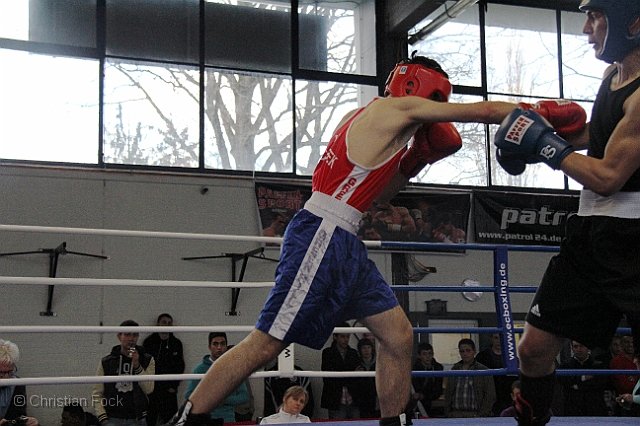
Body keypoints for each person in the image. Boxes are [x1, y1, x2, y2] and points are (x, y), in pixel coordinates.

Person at [163, 53, 585, 426]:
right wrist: (538, 113)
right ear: (416, 87)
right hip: (321, 234)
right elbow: (485, 111)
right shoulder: (395, 107)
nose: (435, 109)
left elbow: (378, 199)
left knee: (398, 336)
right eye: (436, 98)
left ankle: (393, 421)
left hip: (345, 240)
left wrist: (416, 159)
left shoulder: (373, 122)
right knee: (267, 342)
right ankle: (188, 416)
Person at [492, 1, 640, 424]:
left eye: (596, 18)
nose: (586, 29)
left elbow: (608, 175)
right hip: (590, 234)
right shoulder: (612, 76)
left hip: (636, 242)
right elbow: (600, 135)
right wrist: (543, 139)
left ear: (633, 24)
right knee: (533, 350)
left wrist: (547, 147)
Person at [92, 319, 156, 425]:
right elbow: (97, 393)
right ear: (119, 336)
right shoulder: (107, 362)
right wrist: (103, 418)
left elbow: (149, 389)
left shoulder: (147, 359)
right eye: (127, 334)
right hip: (112, 417)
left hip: (137, 418)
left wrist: (137, 366)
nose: (131, 338)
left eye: (135, 335)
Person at [184, 333, 249, 423]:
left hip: (228, 419)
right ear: (209, 347)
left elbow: (244, 396)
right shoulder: (199, 370)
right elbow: (188, 396)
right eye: (215, 344)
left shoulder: (234, 369)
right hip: (206, 420)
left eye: (222, 344)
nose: (219, 347)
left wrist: (223, 399)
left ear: (226, 346)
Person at [143, 314, 185, 426]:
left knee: (171, 422)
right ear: (158, 324)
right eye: (164, 322)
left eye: (169, 323)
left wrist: (174, 386)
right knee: (150, 421)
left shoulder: (176, 343)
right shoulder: (149, 342)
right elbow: (145, 365)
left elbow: (180, 366)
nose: (167, 325)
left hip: (169, 391)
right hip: (152, 391)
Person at [443, 339, 495, 418]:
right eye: (462, 351)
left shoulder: (483, 371)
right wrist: (448, 413)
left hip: (475, 414)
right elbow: (448, 393)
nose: (465, 354)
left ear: (474, 351)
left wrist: (481, 415)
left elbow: (490, 395)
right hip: (455, 414)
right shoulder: (454, 369)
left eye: (468, 350)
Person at [320, 325, 361, 419]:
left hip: (353, 399)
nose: (346, 340)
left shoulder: (353, 353)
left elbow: (358, 378)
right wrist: (351, 374)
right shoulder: (327, 353)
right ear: (335, 337)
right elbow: (328, 378)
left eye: (348, 336)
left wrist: (342, 374)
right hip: (335, 399)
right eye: (342, 336)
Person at [558, 341, 608, 416]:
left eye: (582, 346)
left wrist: (576, 385)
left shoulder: (599, 366)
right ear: (572, 348)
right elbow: (565, 382)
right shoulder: (565, 366)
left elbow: (599, 384)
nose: (579, 349)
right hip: (573, 409)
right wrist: (583, 377)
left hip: (594, 408)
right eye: (575, 346)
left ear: (588, 347)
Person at [475, 333, 518, 416]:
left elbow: (515, 381)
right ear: (491, 339)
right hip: (485, 399)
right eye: (496, 338)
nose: (499, 341)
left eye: (501, 338)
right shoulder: (482, 357)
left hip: (506, 400)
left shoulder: (512, 358)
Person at [0, 339, 39, 426]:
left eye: (10, 372)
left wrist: (28, 422)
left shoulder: (17, 384)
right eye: (1, 372)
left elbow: (18, 415)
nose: (6, 377)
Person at [406, 342, 443, 418]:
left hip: (432, 396)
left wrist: (424, 396)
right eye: (424, 354)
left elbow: (438, 388)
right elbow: (415, 387)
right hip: (417, 398)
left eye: (430, 353)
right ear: (419, 356)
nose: (428, 357)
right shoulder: (414, 369)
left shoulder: (438, 368)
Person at [610, 335, 640, 416]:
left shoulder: (638, 359)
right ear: (621, 344)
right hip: (625, 402)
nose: (630, 344)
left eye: (633, 342)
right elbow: (623, 386)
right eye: (627, 342)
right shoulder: (617, 361)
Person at [355, 338, 379, 419]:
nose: (366, 350)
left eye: (368, 347)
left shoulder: (379, 363)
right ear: (360, 350)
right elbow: (353, 383)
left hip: (376, 399)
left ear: (372, 349)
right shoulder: (356, 364)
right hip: (362, 400)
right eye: (364, 348)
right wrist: (355, 374)